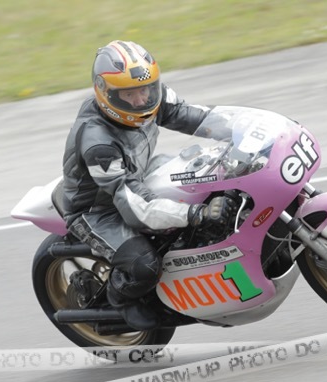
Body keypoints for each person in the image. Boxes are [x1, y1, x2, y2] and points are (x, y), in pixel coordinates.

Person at [61, 40, 233, 331]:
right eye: (129, 94)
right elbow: (133, 204)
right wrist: (194, 214)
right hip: (99, 209)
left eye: (145, 89)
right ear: (106, 93)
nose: (141, 100)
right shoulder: (98, 142)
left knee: (210, 175)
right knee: (144, 265)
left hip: (137, 174)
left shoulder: (150, 98)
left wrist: (239, 130)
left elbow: (193, 115)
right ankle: (119, 297)